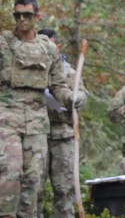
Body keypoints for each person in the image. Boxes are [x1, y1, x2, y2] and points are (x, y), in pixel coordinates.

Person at [0, 0, 84, 218]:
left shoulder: (48, 50)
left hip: (36, 124)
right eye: (17, 15)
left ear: (37, 16)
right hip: (5, 120)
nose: (22, 19)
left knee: (33, 180)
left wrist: (71, 98)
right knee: (10, 174)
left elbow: (58, 85)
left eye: (27, 15)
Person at [36, 28, 87, 218]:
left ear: (57, 46)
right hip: (37, 134)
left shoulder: (69, 73)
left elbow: (81, 93)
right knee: (34, 188)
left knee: (64, 188)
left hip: (63, 136)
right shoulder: (33, 71)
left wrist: (76, 99)